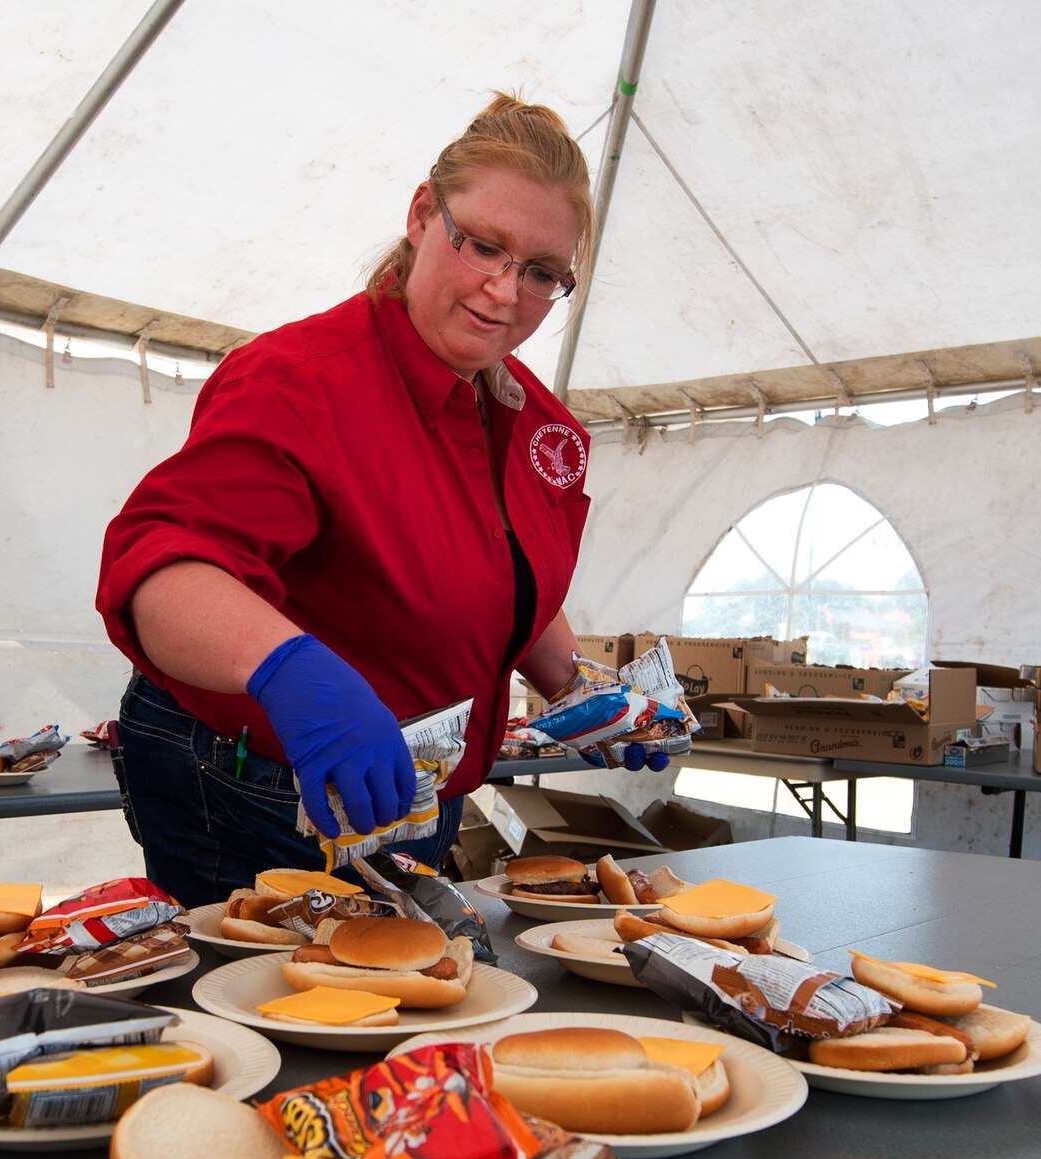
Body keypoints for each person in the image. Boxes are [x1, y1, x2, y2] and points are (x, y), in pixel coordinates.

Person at [96, 94, 658, 909]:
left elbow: (508, 581)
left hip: (418, 789)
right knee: (287, 1015)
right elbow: (162, 570)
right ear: (424, 215)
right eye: (484, 246)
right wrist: (290, 670)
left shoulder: (531, 420)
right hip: (254, 783)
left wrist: (578, 689)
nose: (504, 292)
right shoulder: (301, 383)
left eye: (541, 274)